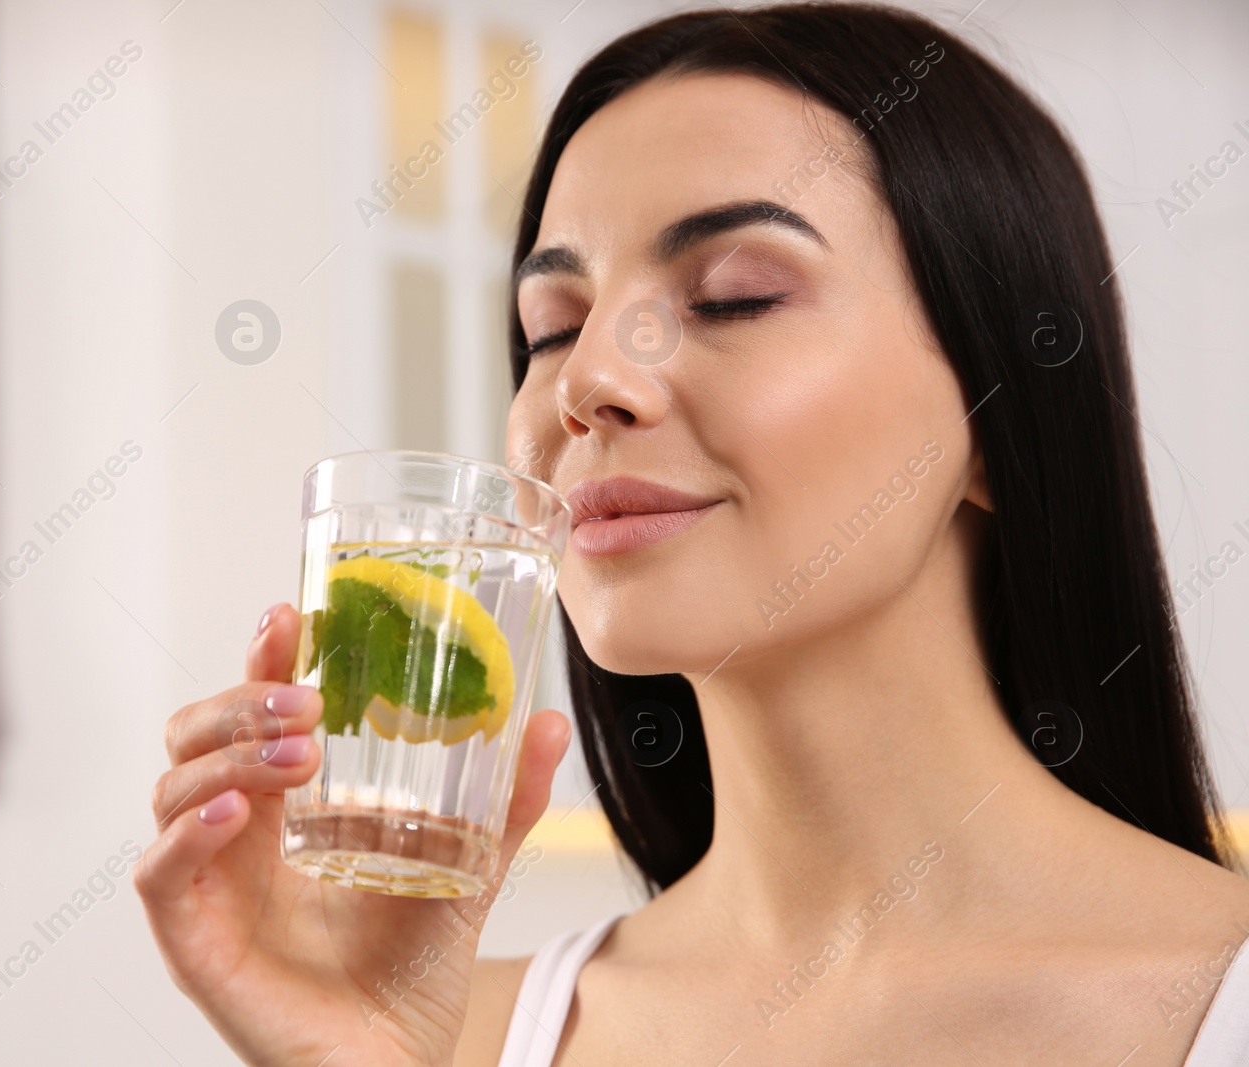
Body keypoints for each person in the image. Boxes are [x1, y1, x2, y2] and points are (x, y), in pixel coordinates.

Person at [134, 5, 1249, 1064]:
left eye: (732, 296)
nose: (589, 381)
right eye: (552, 327)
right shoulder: (446, 1033)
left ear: (999, 424)